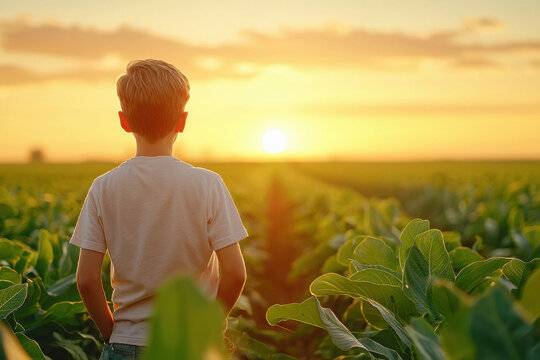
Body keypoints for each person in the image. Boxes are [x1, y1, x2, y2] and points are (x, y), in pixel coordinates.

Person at [70, 59, 248, 359]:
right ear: (182, 121)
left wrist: (111, 333)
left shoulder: (104, 186)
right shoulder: (207, 184)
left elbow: (86, 279)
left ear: (124, 120)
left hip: (126, 342)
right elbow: (235, 273)